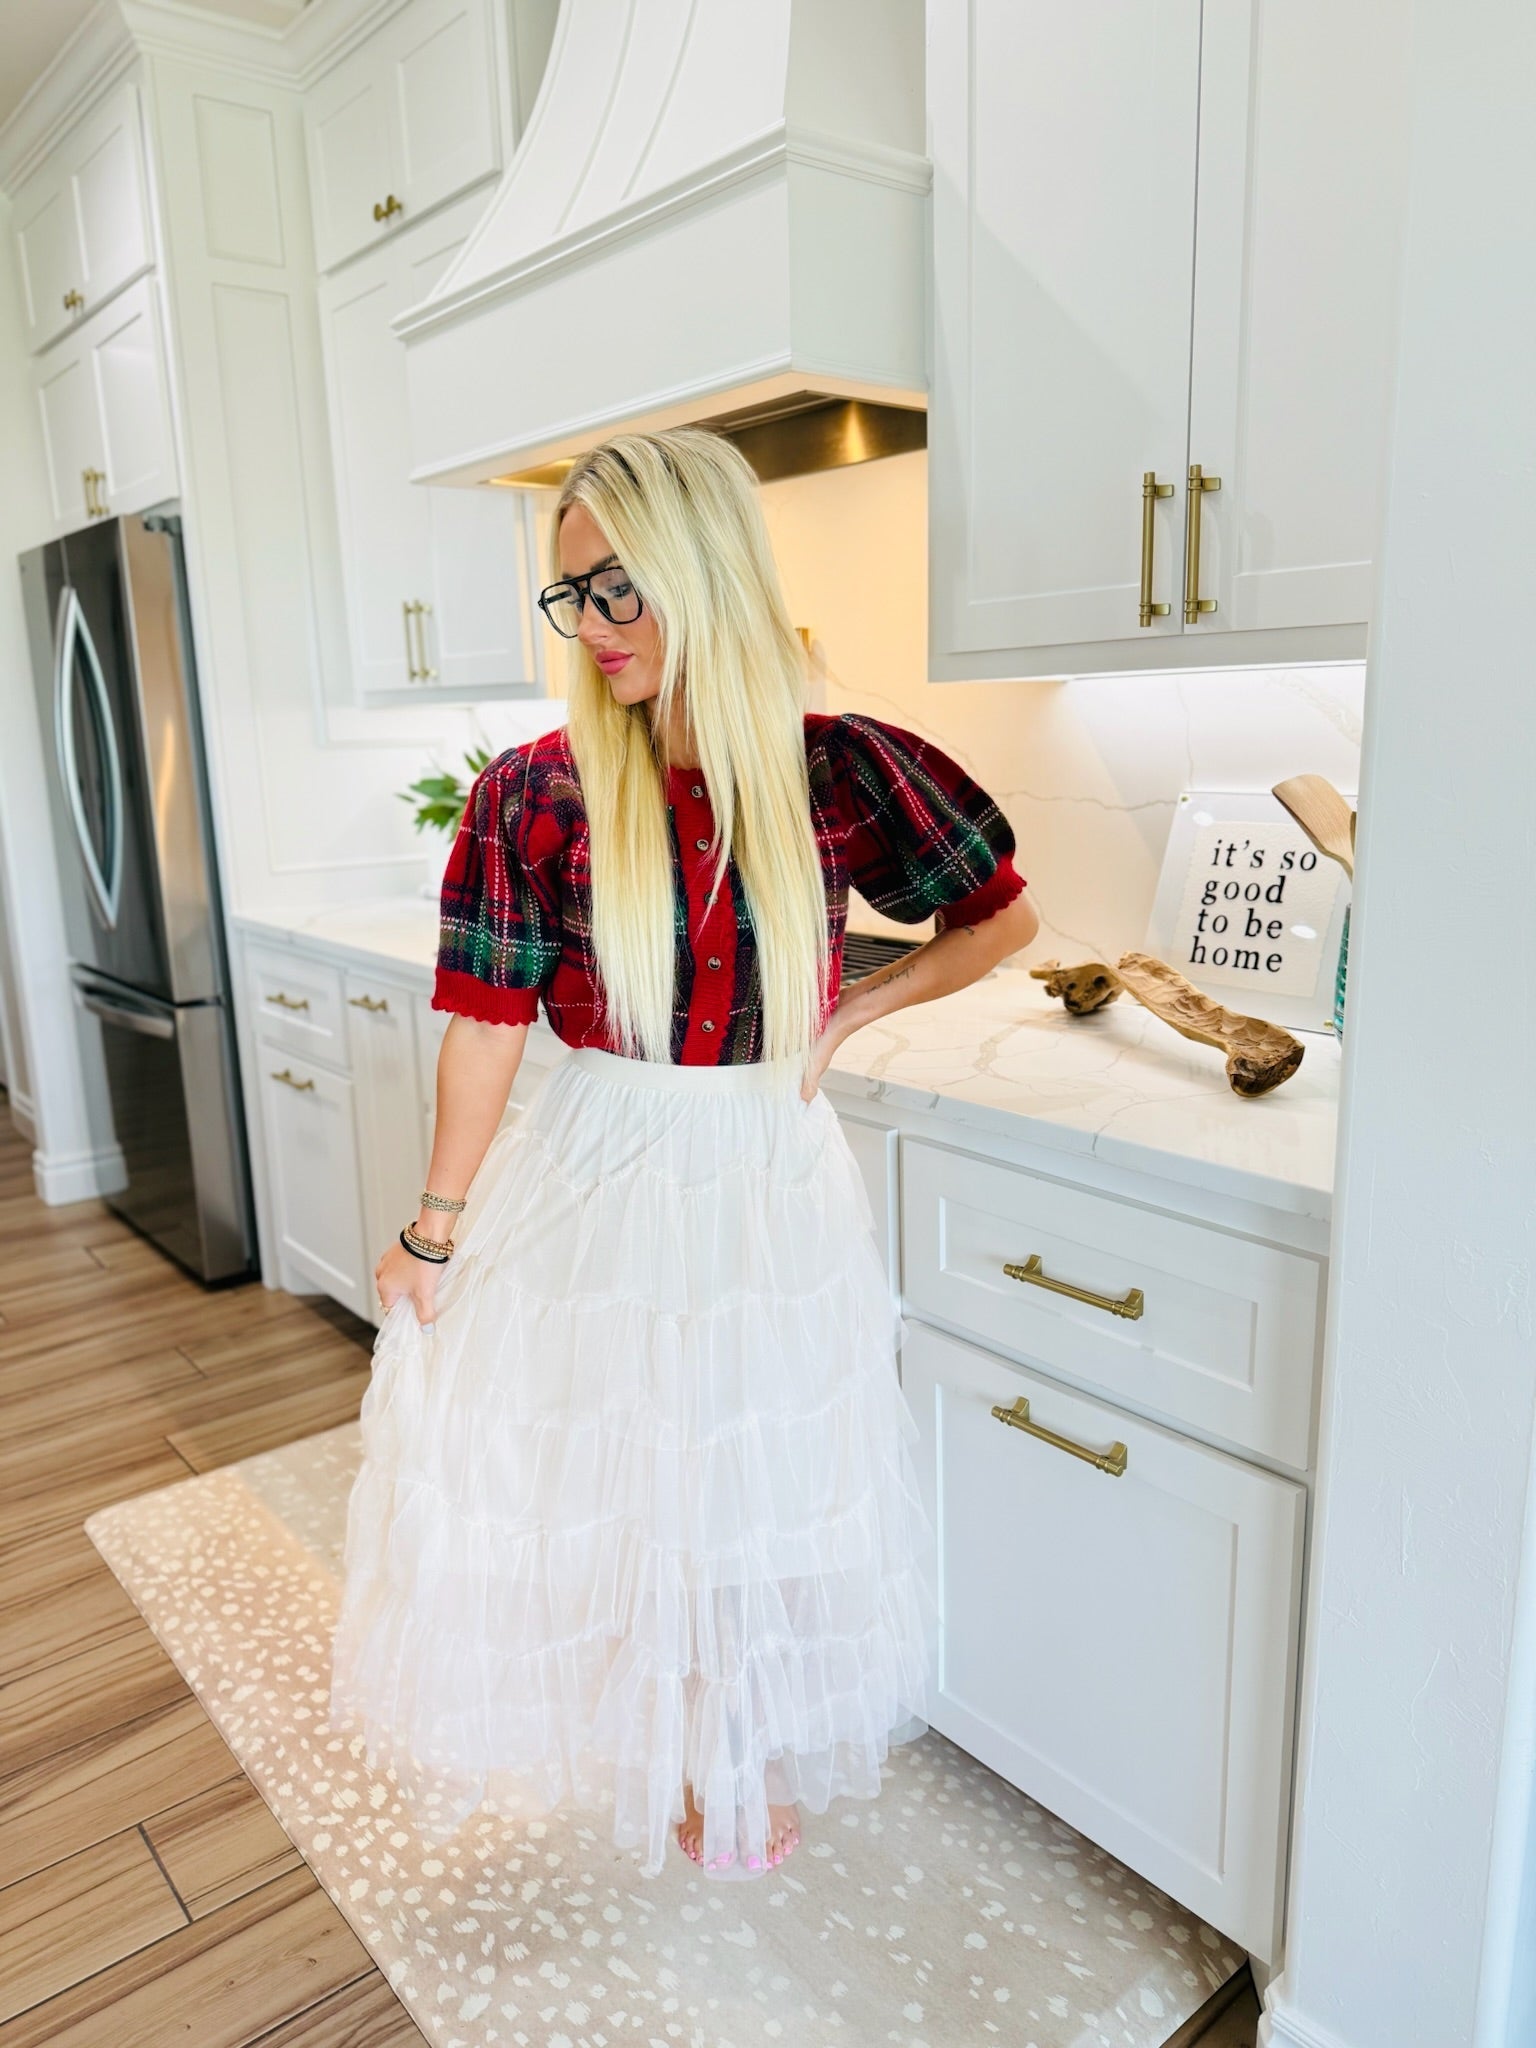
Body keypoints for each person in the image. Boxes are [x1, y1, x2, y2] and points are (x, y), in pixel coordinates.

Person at [328, 426, 1040, 1884]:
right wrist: (433, 1227)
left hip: (769, 1170)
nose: (594, 628)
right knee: (632, 1468)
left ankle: (735, 1742)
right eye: (572, 595)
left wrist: (856, 1011)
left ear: (707, 570)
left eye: (621, 588)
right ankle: (674, 1731)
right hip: (602, 1158)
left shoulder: (838, 769)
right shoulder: (534, 793)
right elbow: (485, 1026)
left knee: (752, 1467)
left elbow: (1001, 919)